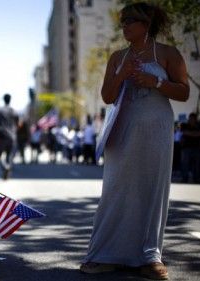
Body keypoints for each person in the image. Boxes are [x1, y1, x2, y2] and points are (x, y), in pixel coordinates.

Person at [80, 3, 189, 280]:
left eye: (130, 21)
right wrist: (122, 73)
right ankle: (105, 254)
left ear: (146, 23)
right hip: (123, 128)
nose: (124, 26)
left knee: (152, 187)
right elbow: (107, 96)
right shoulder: (117, 57)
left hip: (157, 128)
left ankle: (149, 256)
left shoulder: (168, 53)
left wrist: (156, 83)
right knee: (117, 187)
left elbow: (184, 92)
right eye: (122, 22)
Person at [0, 94, 19, 179]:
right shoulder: (14, 111)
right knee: (9, 154)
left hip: (0, 135)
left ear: (3, 99)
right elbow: (17, 124)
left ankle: (5, 167)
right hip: (11, 135)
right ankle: (7, 168)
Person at [180, 113, 200, 183]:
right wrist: (195, 133)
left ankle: (197, 179)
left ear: (195, 119)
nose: (191, 120)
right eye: (190, 118)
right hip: (186, 148)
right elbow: (184, 132)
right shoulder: (184, 125)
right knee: (185, 164)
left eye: (193, 119)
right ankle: (184, 178)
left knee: (197, 165)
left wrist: (190, 133)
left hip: (197, 148)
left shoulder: (198, 125)